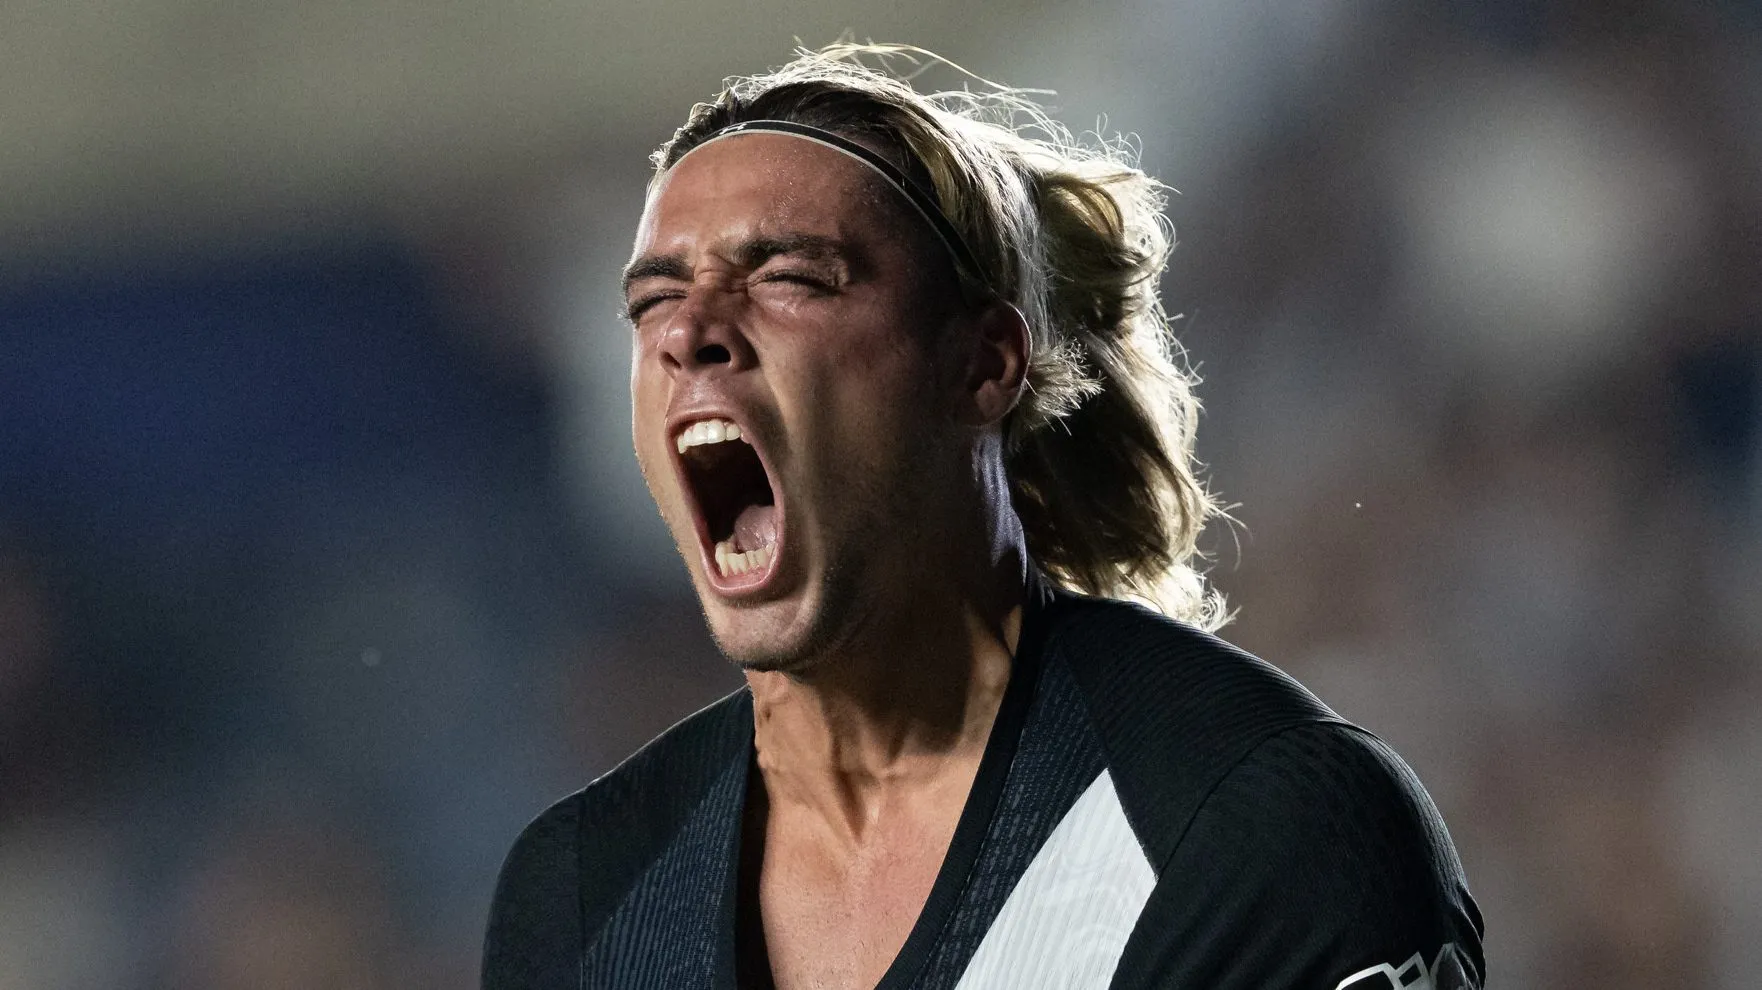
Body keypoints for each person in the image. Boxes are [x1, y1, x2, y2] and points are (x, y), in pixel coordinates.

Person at [482, 44, 1484, 990]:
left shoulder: (1261, 816)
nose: (691, 331)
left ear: (984, 364)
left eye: (789, 278)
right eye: (653, 301)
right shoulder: (578, 892)